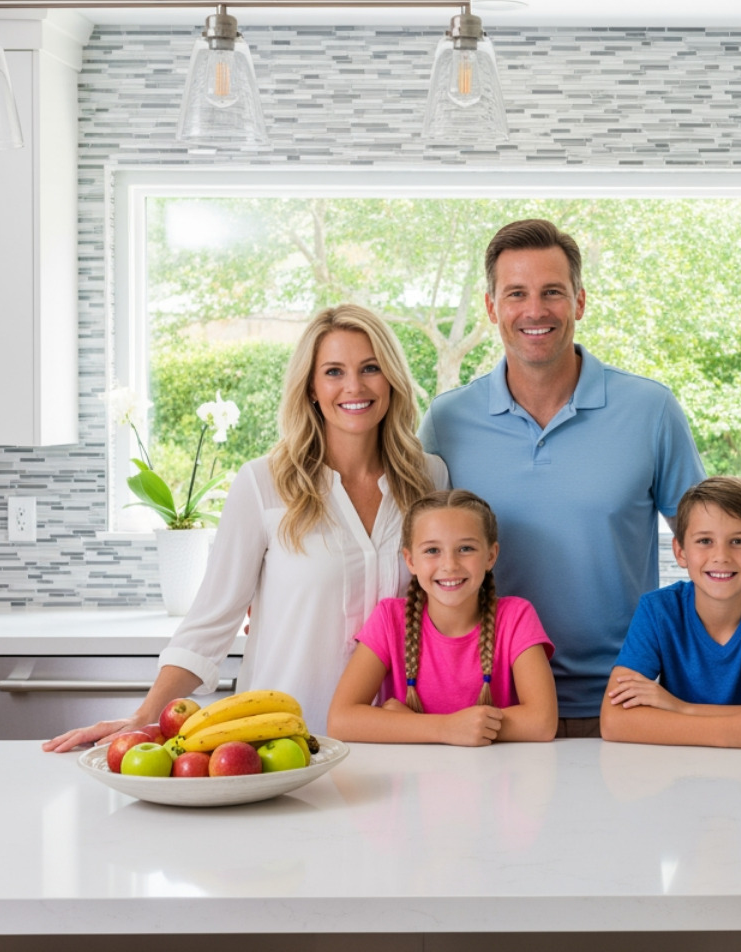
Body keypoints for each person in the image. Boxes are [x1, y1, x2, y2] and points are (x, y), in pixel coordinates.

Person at [44, 304, 449, 750]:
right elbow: (211, 621)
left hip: (400, 743)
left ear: (391, 378)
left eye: (370, 368)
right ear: (311, 388)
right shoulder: (264, 483)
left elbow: (450, 610)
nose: (354, 386)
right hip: (285, 747)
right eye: (334, 371)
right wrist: (144, 718)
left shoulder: (430, 479)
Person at [418, 219, 705, 736]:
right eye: (516, 293)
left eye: (552, 292)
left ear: (580, 302)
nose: (535, 310)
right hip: (489, 713)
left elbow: (713, 551)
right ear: (491, 308)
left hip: (622, 706)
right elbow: (414, 560)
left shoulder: (651, 410)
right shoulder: (446, 421)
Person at [599, 476, 741, 748]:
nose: (721, 556)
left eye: (738, 541)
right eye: (705, 540)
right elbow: (613, 721)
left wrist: (680, 708)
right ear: (680, 552)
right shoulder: (657, 611)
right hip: (682, 768)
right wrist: (738, 731)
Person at [326, 489, 557, 745]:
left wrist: (411, 724)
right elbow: (340, 720)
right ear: (410, 560)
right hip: (410, 772)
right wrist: (445, 729)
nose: (449, 565)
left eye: (466, 548)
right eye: (432, 550)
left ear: (491, 556)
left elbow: (542, 722)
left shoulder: (516, 617)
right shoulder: (389, 619)